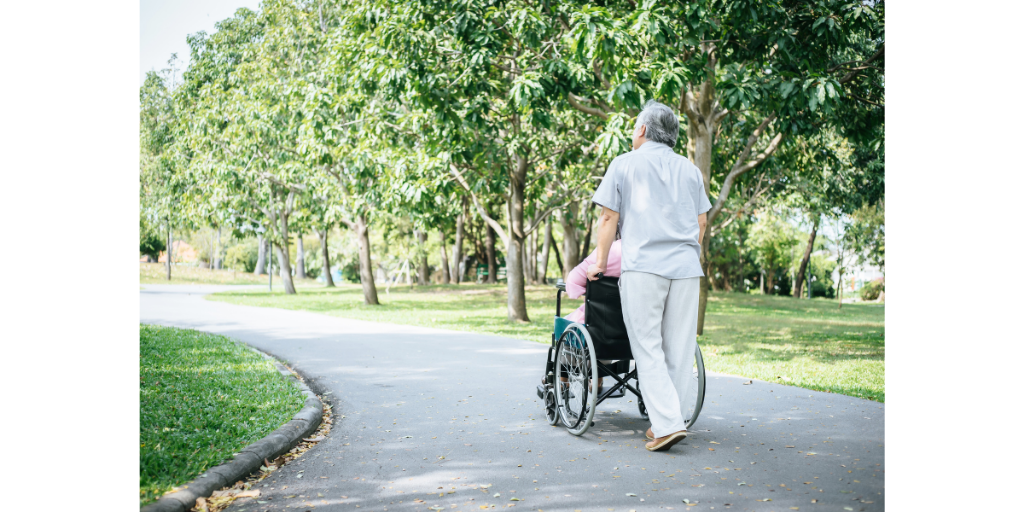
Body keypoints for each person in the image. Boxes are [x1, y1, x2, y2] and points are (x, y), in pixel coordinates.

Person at [587, 99, 711, 452]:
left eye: (633, 127)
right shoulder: (689, 170)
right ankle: (667, 422)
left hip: (644, 267)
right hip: (686, 270)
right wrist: (687, 251)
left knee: (647, 346)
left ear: (642, 130)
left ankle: (668, 423)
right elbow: (701, 222)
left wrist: (599, 263)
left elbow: (608, 218)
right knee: (679, 347)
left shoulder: (624, 164)